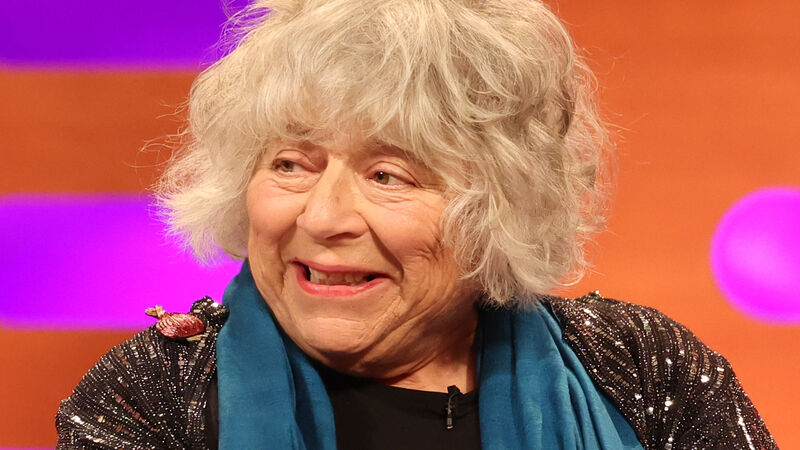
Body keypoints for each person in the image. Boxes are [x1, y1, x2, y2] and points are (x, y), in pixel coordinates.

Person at [56, 0, 776, 448]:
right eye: (291, 164)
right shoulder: (153, 393)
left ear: (499, 204)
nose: (324, 216)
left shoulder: (644, 367)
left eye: (387, 175)